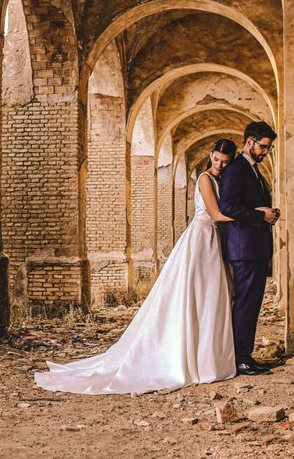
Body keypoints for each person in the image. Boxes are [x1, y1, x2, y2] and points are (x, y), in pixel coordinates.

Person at [34, 139, 239, 395]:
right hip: (201, 239)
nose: (219, 165)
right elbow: (217, 215)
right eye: (217, 159)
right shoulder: (206, 179)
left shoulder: (221, 179)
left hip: (212, 240)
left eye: (225, 162)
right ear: (211, 155)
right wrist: (255, 215)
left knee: (208, 298)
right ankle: (186, 357)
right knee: (195, 295)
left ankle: (203, 356)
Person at [218, 121, 279, 376]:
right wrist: (259, 215)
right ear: (250, 142)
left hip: (254, 247)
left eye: (269, 148)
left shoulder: (253, 170)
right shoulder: (235, 169)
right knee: (245, 304)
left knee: (251, 304)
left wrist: (269, 214)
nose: (266, 152)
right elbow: (228, 208)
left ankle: (244, 355)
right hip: (244, 249)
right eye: (264, 147)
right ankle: (240, 359)